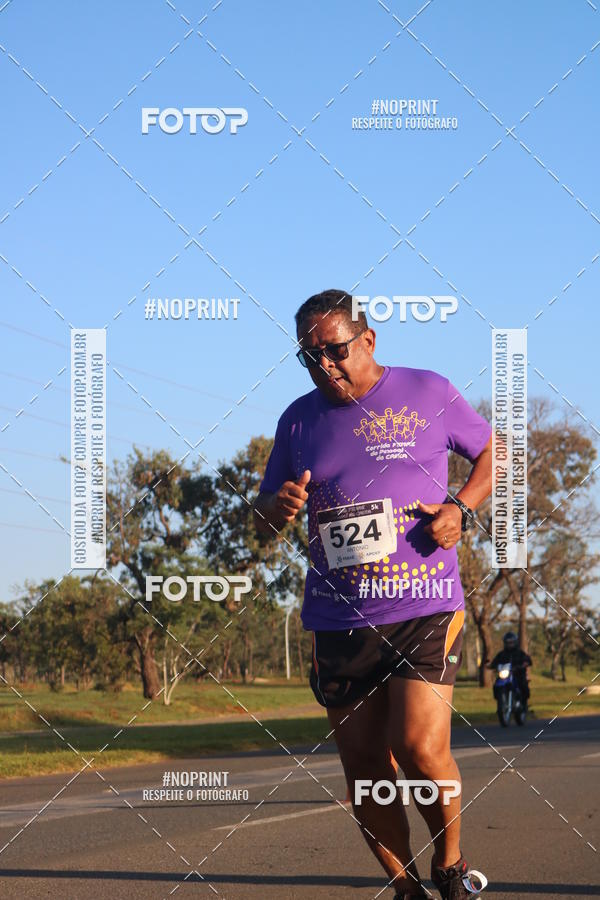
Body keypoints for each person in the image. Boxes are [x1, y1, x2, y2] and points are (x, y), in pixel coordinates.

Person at [253, 289, 493, 899]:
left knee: (417, 748)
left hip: (425, 604)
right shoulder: (299, 420)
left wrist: (461, 508)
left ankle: (451, 865)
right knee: (365, 773)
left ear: (368, 340)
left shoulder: (428, 391)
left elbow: (496, 452)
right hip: (338, 619)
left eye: (335, 351)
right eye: (311, 359)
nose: (325, 366)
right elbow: (262, 514)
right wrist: (276, 507)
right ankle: (407, 890)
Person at [490, 632, 532, 708]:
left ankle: (523, 703)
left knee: (523, 684)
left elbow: (527, 660)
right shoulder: (501, 654)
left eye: (511, 642)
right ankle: (501, 702)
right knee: (496, 685)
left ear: (515, 642)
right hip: (505, 675)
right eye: (507, 643)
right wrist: (491, 665)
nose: (509, 644)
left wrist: (524, 664)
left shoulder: (520, 653)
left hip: (518, 674)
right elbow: (495, 662)